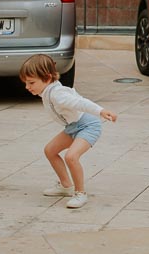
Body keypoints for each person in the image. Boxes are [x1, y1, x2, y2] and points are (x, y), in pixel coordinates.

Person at [20, 54, 117, 209]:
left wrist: (101, 111)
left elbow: (81, 102)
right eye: (25, 83)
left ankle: (80, 193)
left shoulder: (58, 94)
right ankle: (66, 186)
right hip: (73, 126)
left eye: (31, 82)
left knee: (71, 156)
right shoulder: (49, 90)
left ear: (47, 77)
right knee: (50, 150)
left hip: (88, 125)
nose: (27, 87)